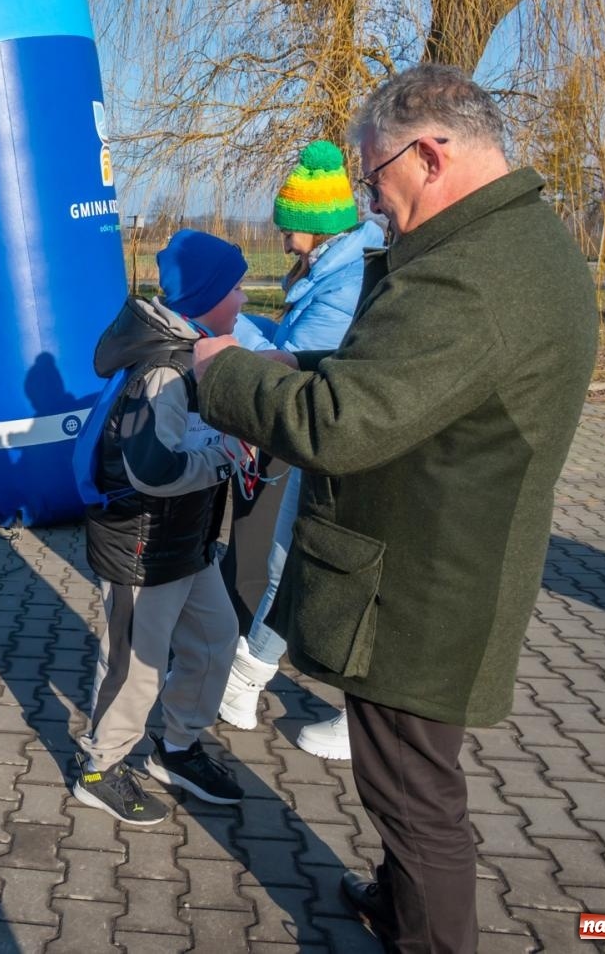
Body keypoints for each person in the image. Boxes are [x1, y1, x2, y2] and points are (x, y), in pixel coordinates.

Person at [190, 65, 597, 952]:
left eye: (376, 177)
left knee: (414, 796)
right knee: (410, 781)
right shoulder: (516, 242)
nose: (372, 203)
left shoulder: (468, 276)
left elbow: (340, 427)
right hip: (450, 560)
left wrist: (221, 372)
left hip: (426, 587)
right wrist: (304, 370)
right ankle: (398, 901)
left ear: (430, 153)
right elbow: (408, 387)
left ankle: (429, 936)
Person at [70, 229, 254, 826]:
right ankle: (100, 767)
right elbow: (152, 469)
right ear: (204, 298)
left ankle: (176, 748)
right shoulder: (164, 372)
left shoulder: (196, 350)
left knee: (213, 639)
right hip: (142, 546)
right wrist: (225, 458)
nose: (245, 298)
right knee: (134, 663)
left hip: (188, 542)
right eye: (235, 288)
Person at [218, 140, 382, 762]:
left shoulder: (347, 285)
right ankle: (245, 679)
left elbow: (303, 369)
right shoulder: (333, 271)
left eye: (290, 231)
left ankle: (342, 708)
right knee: (287, 562)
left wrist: (231, 336)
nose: (284, 243)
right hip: (321, 437)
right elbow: (292, 347)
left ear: (318, 230)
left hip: (333, 440)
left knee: (298, 564)